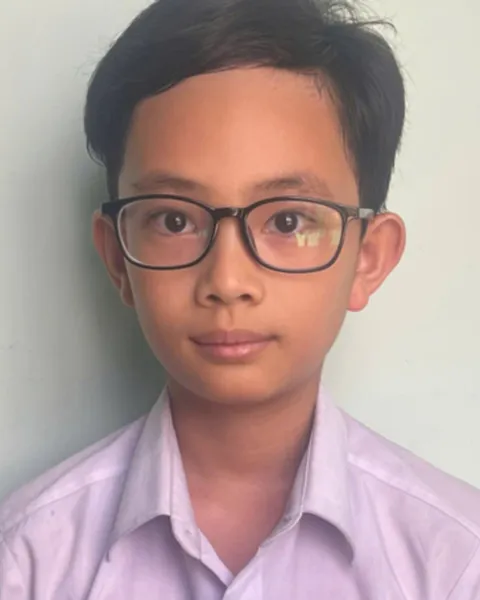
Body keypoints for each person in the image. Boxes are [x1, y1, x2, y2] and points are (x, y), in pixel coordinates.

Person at [1, 0, 479, 597]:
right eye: (174, 220)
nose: (227, 282)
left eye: (287, 221)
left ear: (368, 257)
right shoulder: (27, 560)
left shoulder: (456, 562)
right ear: (118, 257)